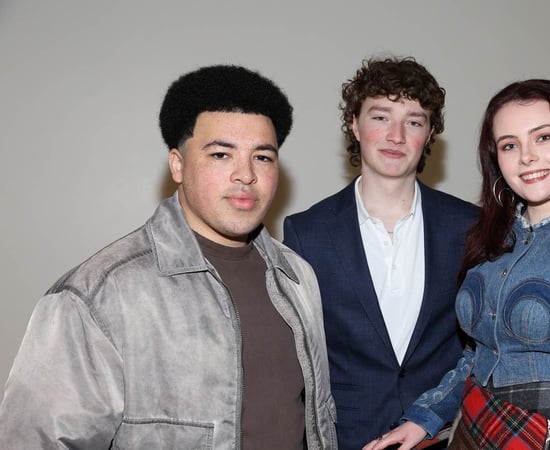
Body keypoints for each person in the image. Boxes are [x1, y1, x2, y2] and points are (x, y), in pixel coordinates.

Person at [0, 65, 337, 449]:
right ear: (177, 164)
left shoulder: (298, 277)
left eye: (262, 157)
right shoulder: (98, 295)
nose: (246, 175)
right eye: (221, 154)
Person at [365, 79, 550, 450]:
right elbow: (480, 357)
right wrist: (426, 418)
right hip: (476, 430)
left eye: (544, 137)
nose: (526, 157)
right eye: (509, 145)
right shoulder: (494, 239)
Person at [282, 56, 478, 450]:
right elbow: (297, 361)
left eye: (414, 121)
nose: (396, 136)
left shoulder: (471, 226)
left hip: (447, 436)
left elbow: (484, 347)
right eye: (381, 117)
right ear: (354, 125)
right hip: (348, 438)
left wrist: (431, 418)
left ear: (429, 134)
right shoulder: (306, 232)